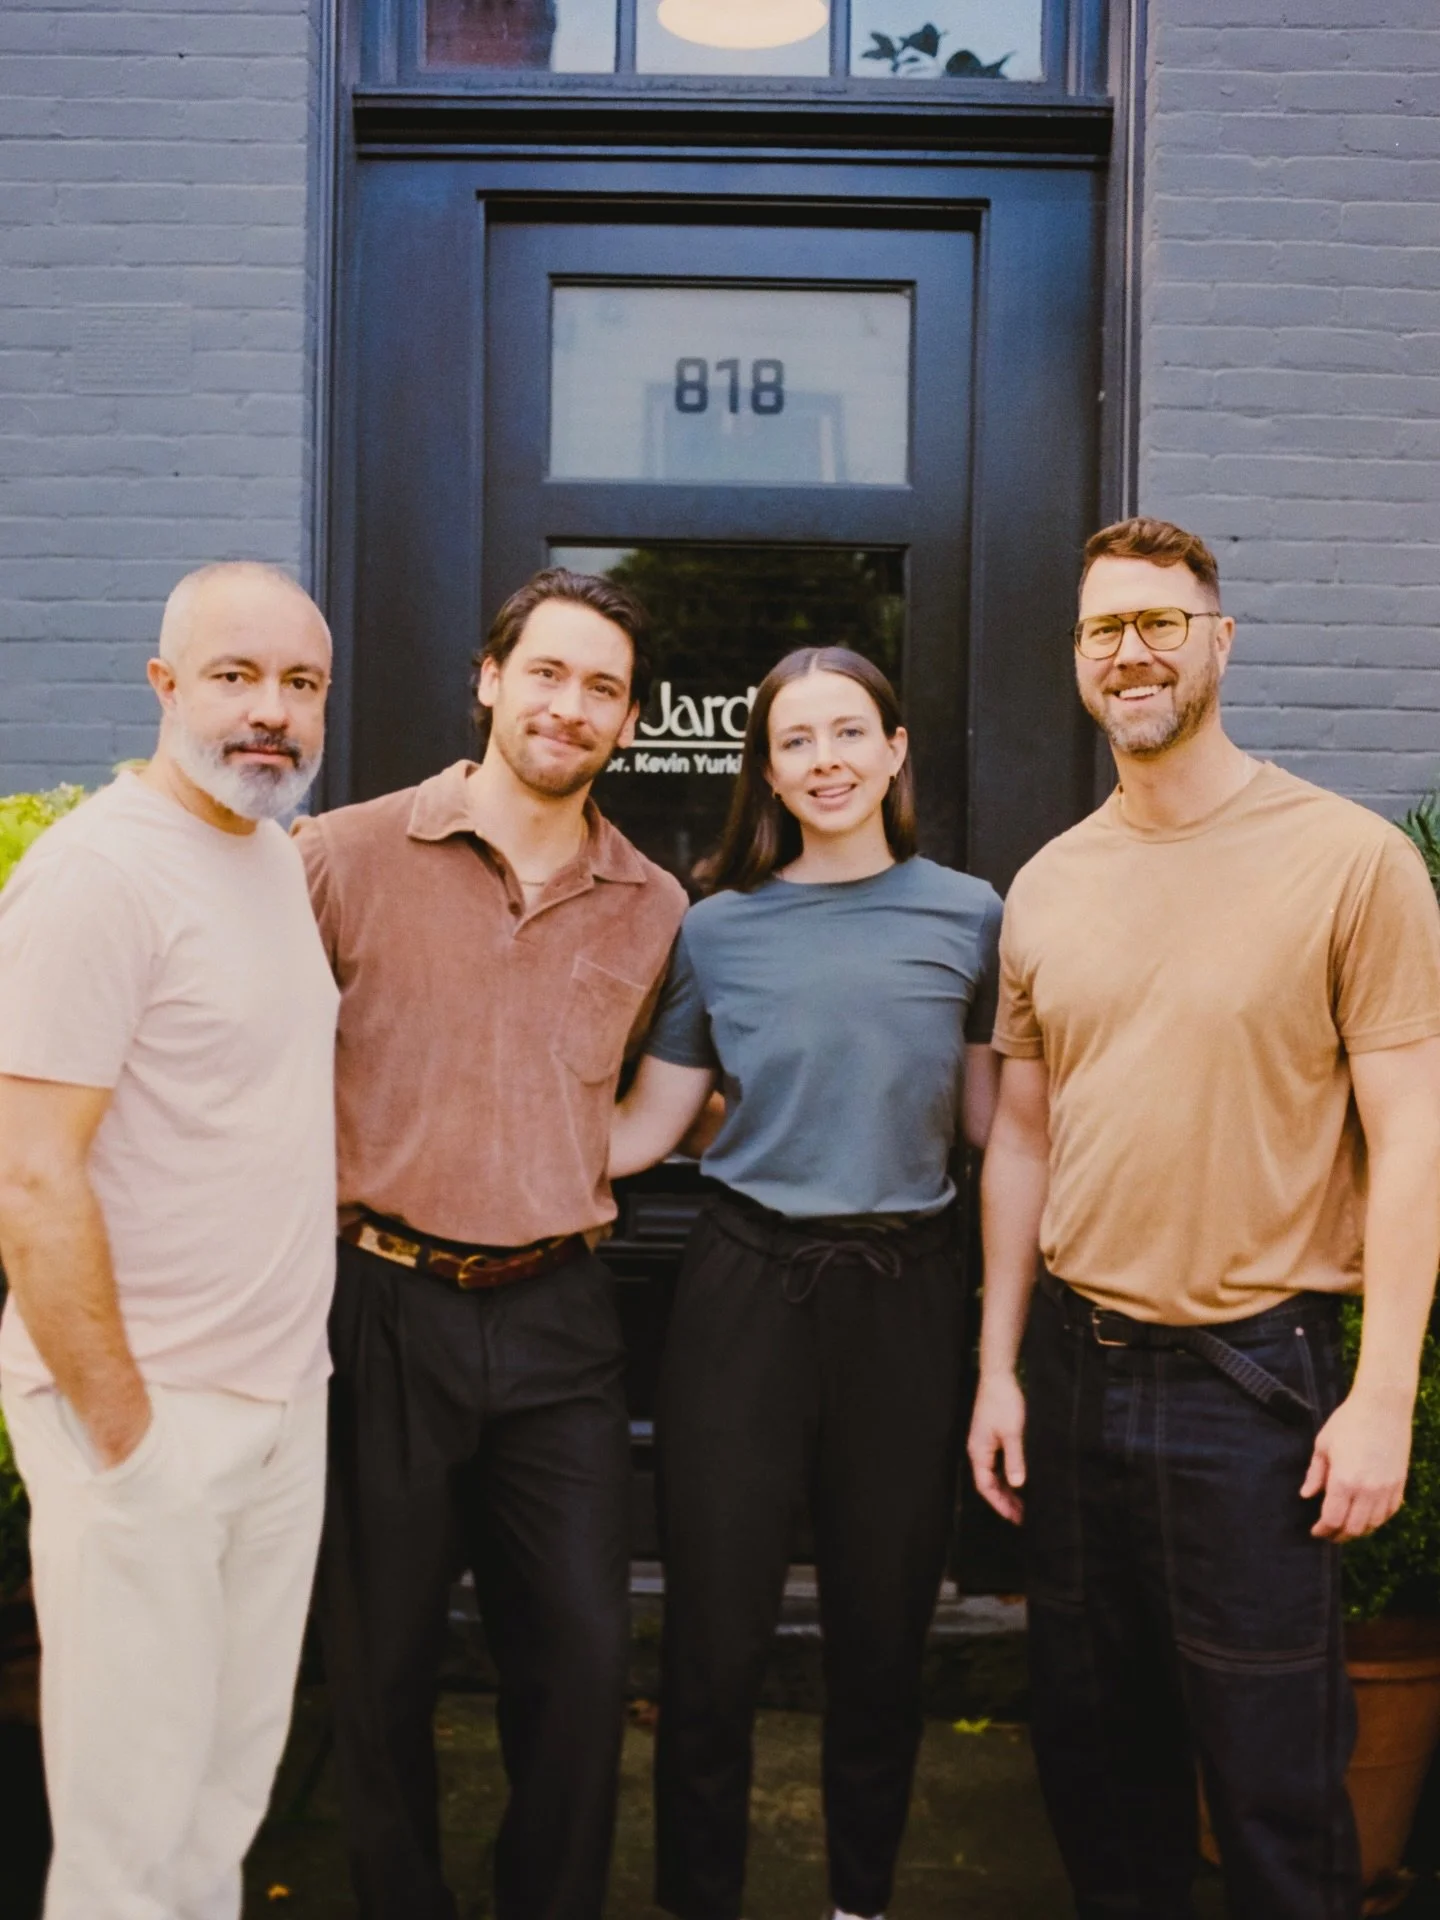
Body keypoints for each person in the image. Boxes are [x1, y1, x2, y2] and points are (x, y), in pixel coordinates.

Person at [968, 516, 1440, 1919]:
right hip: (1077, 1373)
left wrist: (1384, 1395)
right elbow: (1022, 1142)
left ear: (1219, 641)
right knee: (1100, 1781)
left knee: (1278, 1797)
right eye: (1105, 629)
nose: (1132, 652)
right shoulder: (1049, 883)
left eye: (1160, 622)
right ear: (1078, 661)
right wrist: (999, 1368)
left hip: (1258, 1388)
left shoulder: (1351, 864)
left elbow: (1414, 1136)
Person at [295, 567, 686, 1920]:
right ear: (489, 678)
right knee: (381, 1663)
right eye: (549, 673)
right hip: (380, 1304)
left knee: (581, 1662)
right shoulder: (340, 857)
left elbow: (644, 1097)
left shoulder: (653, 902)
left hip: (561, 1317)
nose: (570, 707)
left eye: (603, 689)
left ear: (630, 720)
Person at [610, 646, 1003, 1920]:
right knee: (713, 1645)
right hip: (744, 1295)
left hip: (908, 1293)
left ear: (895, 754)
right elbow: (644, 1129)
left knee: (885, 1639)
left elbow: (1005, 1123)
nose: (825, 759)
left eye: (850, 733)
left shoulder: (973, 915)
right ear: (767, 769)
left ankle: (859, 1904)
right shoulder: (714, 927)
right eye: (795, 740)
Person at [0, 562, 338, 1920]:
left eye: (301, 684)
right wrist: (122, 1432)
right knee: (128, 1834)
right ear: (164, 687)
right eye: (236, 676)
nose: (273, 713)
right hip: (147, 1420)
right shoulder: (97, 873)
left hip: (273, 1405)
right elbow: (30, 1174)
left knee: (219, 1802)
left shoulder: (266, 858)